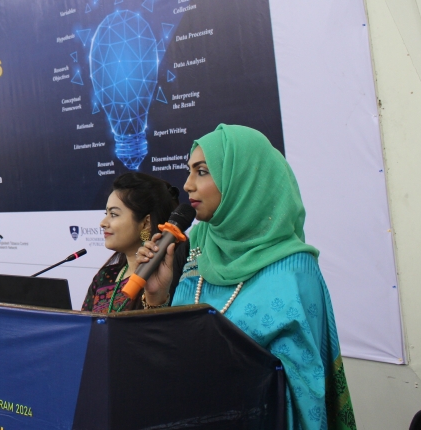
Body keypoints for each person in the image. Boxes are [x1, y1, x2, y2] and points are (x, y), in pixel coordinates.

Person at [138, 124, 356, 429]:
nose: (187, 185)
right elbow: (176, 346)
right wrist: (157, 299)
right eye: (189, 171)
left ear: (245, 178)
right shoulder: (199, 245)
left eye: (202, 171)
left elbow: (302, 390)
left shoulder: (295, 268)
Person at [82, 172, 187, 313]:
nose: (103, 223)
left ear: (146, 223)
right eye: (105, 214)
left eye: (114, 214)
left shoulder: (170, 278)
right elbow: (84, 329)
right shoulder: (104, 277)